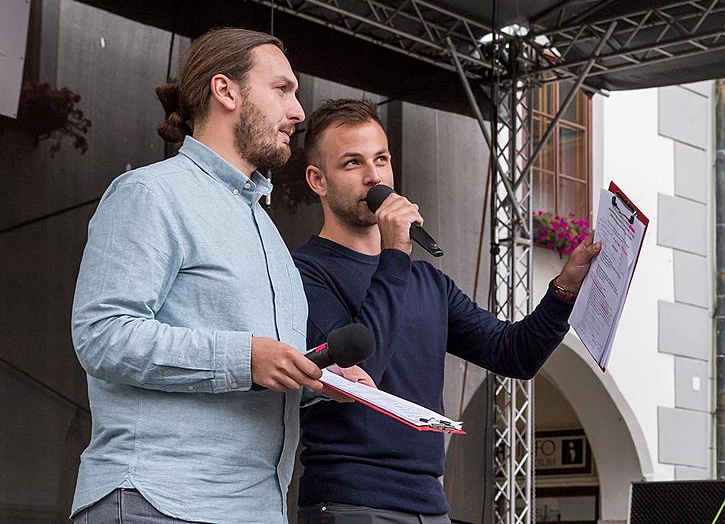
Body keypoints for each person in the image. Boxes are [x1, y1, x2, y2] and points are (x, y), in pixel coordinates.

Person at [70, 28, 371, 524]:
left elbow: (255, 376)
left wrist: (313, 381)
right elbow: (101, 337)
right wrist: (244, 357)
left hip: (253, 507)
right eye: (282, 89)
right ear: (225, 90)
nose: (297, 112)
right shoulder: (150, 193)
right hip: (157, 501)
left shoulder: (267, 231)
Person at [291, 98, 602, 523]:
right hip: (352, 501)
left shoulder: (427, 282)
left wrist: (565, 289)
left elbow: (514, 353)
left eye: (381, 159)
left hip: (429, 504)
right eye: (352, 163)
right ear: (317, 180)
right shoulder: (303, 272)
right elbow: (363, 375)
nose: (373, 177)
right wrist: (395, 255)